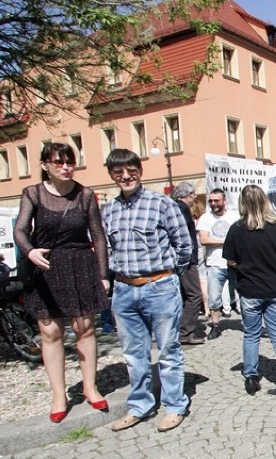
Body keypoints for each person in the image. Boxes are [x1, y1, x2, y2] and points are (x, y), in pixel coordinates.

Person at [13, 143, 110, 423]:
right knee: (51, 334)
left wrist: (103, 276)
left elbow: (98, 236)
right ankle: (59, 394)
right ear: (45, 165)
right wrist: (29, 250)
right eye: (59, 162)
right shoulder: (32, 193)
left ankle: (90, 387)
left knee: (85, 329)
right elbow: (20, 229)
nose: (66, 167)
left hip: (80, 265)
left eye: (70, 162)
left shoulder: (86, 195)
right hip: (46, 267)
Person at [101, 149, 192, 433]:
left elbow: (184, 246)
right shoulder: (109, 210)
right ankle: (140, 405)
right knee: (133, 354)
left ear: (140, 171)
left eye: (131, 170)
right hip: (124, 290)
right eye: (119, 172)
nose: (126, 176)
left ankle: (175, 405)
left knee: (167, 350)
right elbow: (106, 248)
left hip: (159, 287)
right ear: (112, 175)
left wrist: (166, 278)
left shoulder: (162, 204)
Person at [223, 185, 276, 396]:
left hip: (250, 289)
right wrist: (275, 266)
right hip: (274, 287)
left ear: (242, 204)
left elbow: (230, 260)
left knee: (251, 335)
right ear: (265, 201)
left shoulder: (237, 229)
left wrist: (247, 267)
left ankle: (251, 377)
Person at [197, 188, 239, 340]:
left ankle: (251, 325)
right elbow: (204, 239)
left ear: (224, 201)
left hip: (234, 263)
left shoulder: (235, 217)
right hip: (215, 264)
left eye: (217, 201)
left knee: (245, 295)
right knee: (214, 298)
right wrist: (226, 242)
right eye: (211, 201)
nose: (213, 204)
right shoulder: (205, 218)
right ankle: (215, 326)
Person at [171, 183, 205, 345]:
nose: (194, 199)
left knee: (185, 295)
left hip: (182, 258)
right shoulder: (182, 208)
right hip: (186, 259)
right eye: (193, 195)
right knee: (194, 294)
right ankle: (185, 332)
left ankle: (180, 330)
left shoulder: (174, 207)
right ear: (187, 195)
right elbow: (182, 235)